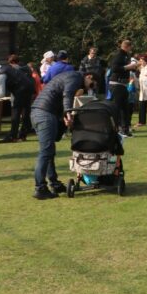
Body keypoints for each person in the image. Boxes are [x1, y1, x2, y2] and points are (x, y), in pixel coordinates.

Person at [29, 69, 94, 199]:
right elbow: (67, 94)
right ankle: (40, 188)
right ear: (89, 76)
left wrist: (64, 115)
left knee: (49, 151)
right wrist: (68, 112)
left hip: (41, 112)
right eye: (91, 84)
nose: (89, 87)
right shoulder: (75, 77)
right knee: (45, 152)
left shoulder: (71, 76)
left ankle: (54, 184)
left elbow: (60, 97)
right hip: (44, 113)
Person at [0, 55, 35, 143]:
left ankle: (12, 136)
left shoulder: (2, 74)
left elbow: (1, 93)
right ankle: (23, 135)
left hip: (20, 90)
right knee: (26, 112)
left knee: (16, 113)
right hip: (29, 88)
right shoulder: (22, 68)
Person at [108, 40, 138, 137]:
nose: (131, 49)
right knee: (117, 108)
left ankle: (125, 130)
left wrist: (133, 67)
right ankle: (117, 129)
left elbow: (127, 68)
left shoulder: (126, 55)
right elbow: (114, 68)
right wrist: (127, 67)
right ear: (127, 47)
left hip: (123, 84)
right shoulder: (118, 55)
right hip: (117, 84)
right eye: (130, 47)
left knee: (125, 108)